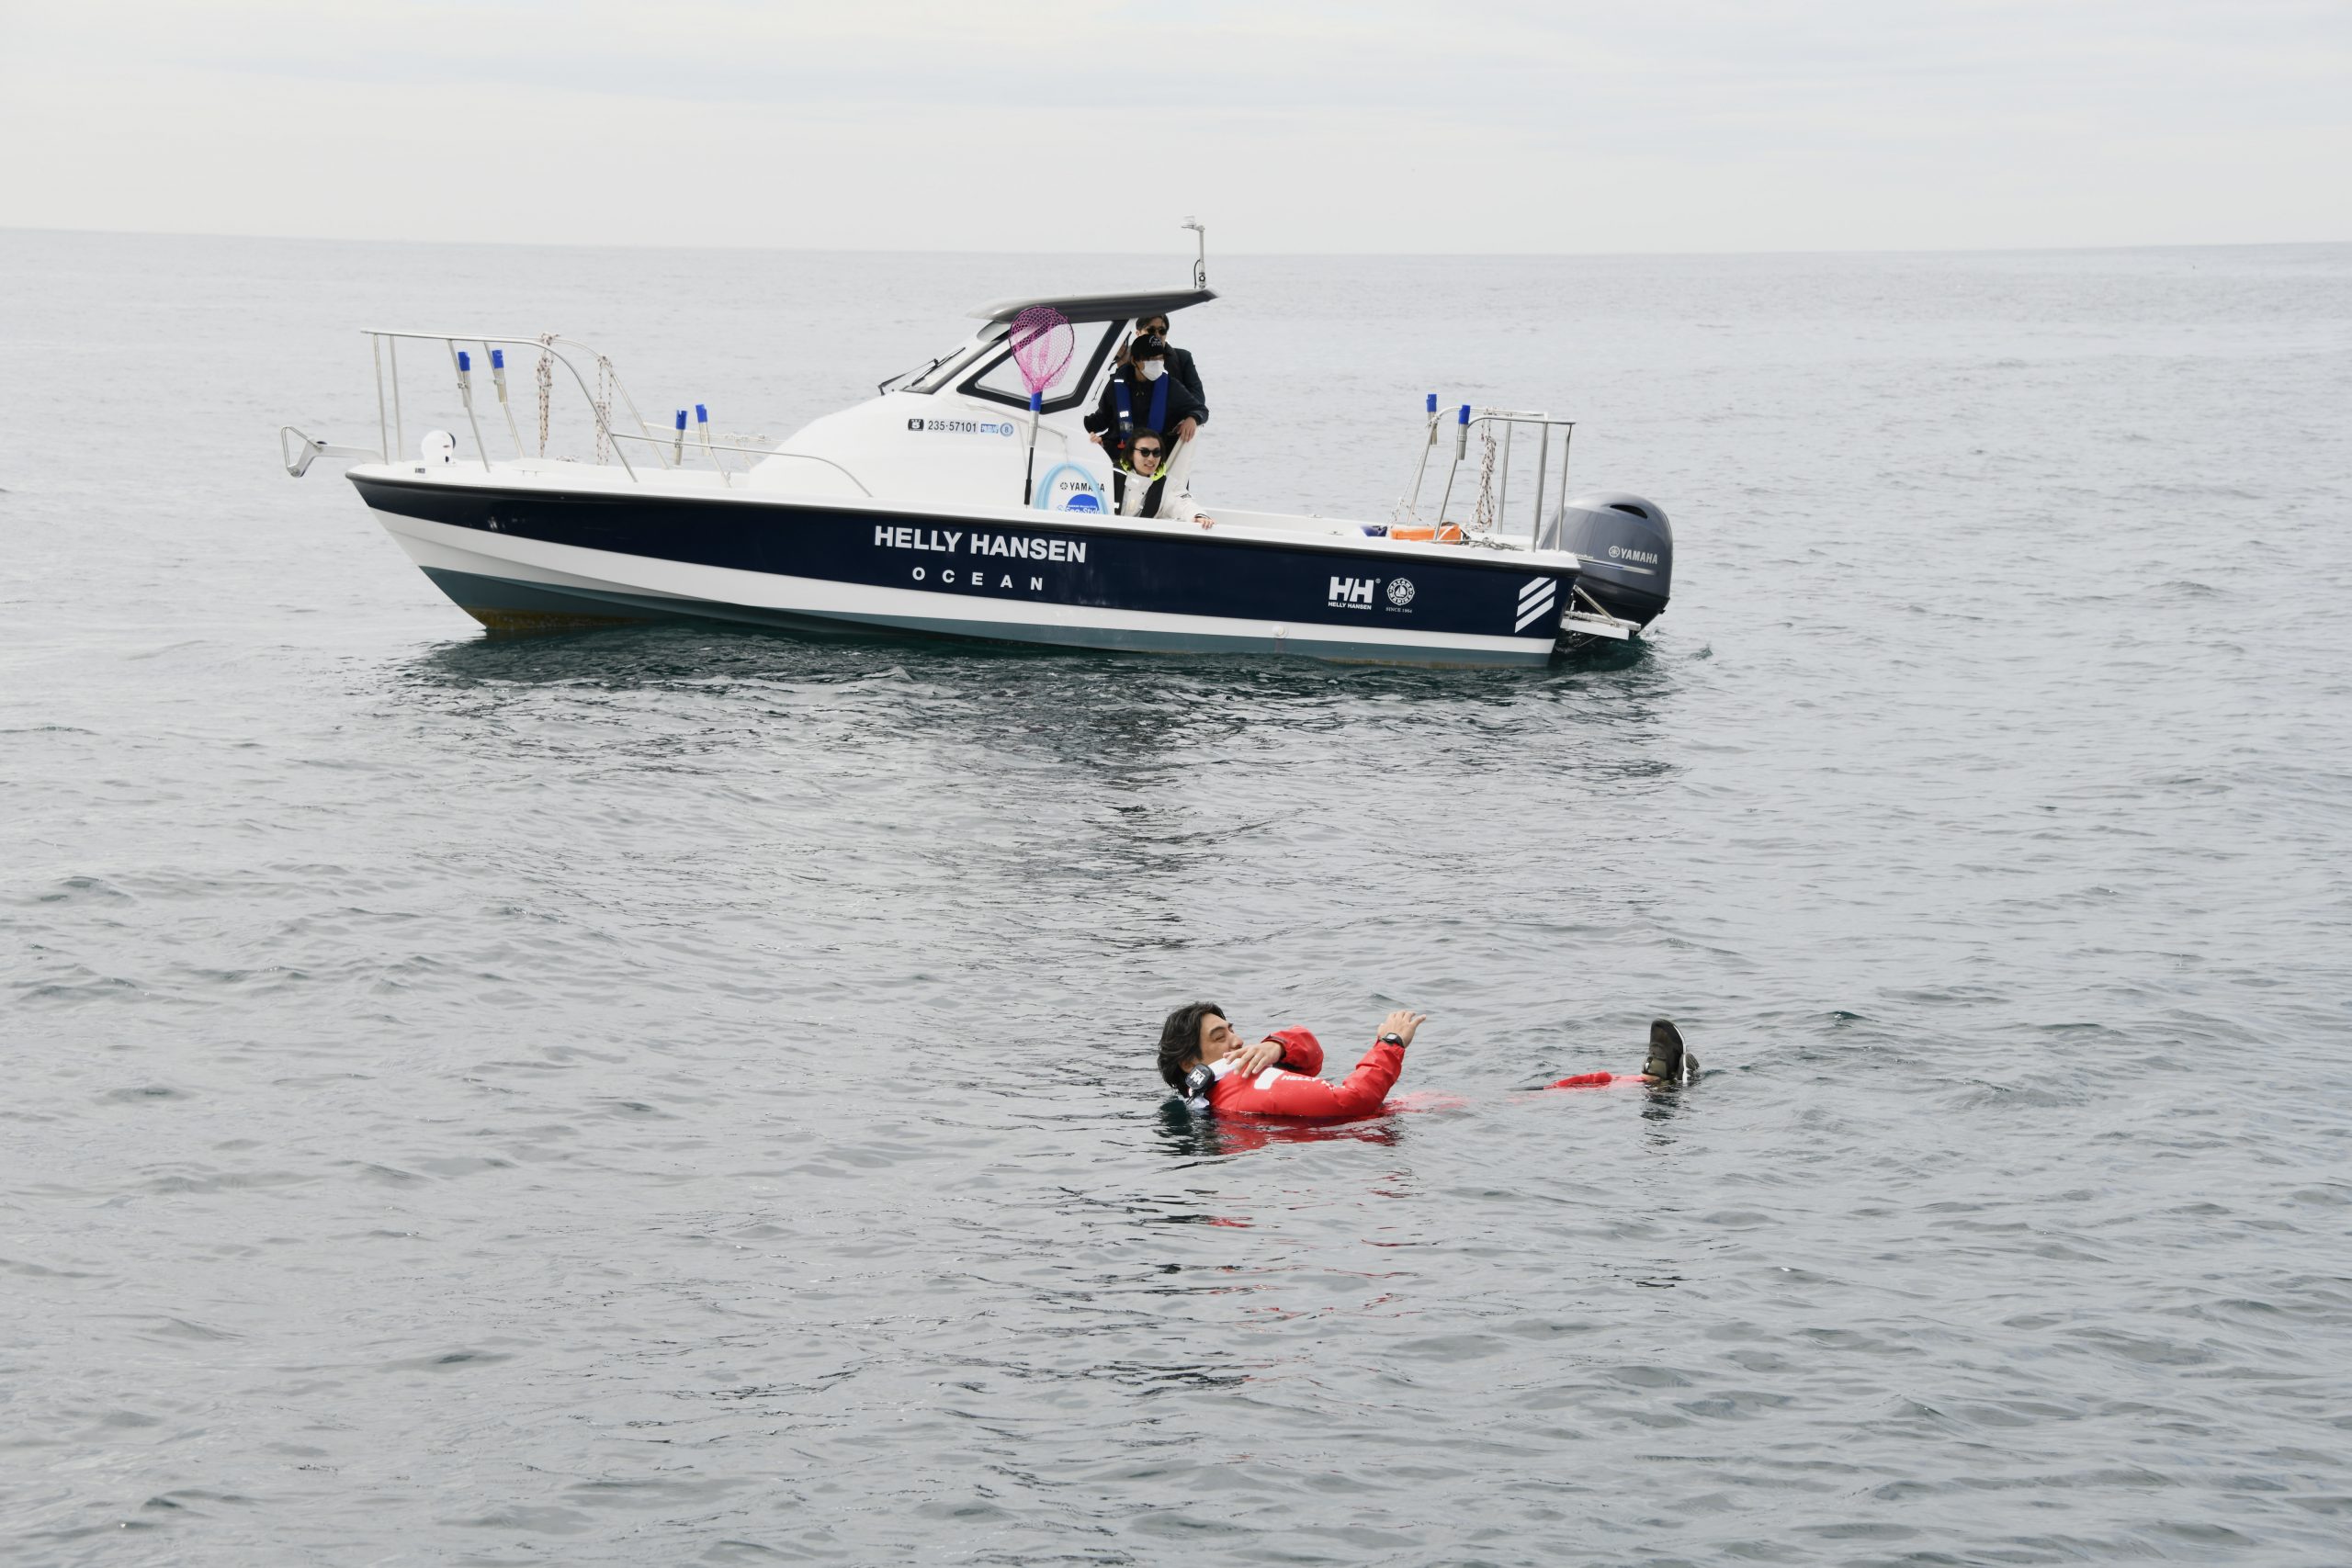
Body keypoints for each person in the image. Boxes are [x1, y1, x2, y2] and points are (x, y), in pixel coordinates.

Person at [1155, 1005, 1696, 1121]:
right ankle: (1652, 1086)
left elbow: (1312, 1057)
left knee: (1539, 1094)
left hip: (1397, 1118)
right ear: (1189, 1060)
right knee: (1538, 1099)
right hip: (1384, 1128)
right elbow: (1352, 1099)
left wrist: (1277, 1042)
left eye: (1234, 1030)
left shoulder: (1224, 1093)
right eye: (1221, 1037)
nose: (1237, 1042)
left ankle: (1642, 1084)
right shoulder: (1248, 1089)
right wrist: (1391, 1042)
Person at [1084, 333, 1205, 478]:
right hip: (1116, 455)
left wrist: (1193, 418)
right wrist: (1079, 428)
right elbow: (1100, 420)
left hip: (1150, 460)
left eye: (1160, 358)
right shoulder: (1116, 385)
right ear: (1135, 361)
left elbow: (1201, 409)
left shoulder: (1171, 387)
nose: (1157, 362)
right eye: (1150, 359)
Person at [1110, 429, 1214, 526]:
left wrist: (1198, 515)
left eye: (1156, 453)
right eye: (1144, 452)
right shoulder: (1110, 474)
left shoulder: (1167, 485)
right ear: (1131, 454)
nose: (1151, 458)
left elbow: (1184, 504)